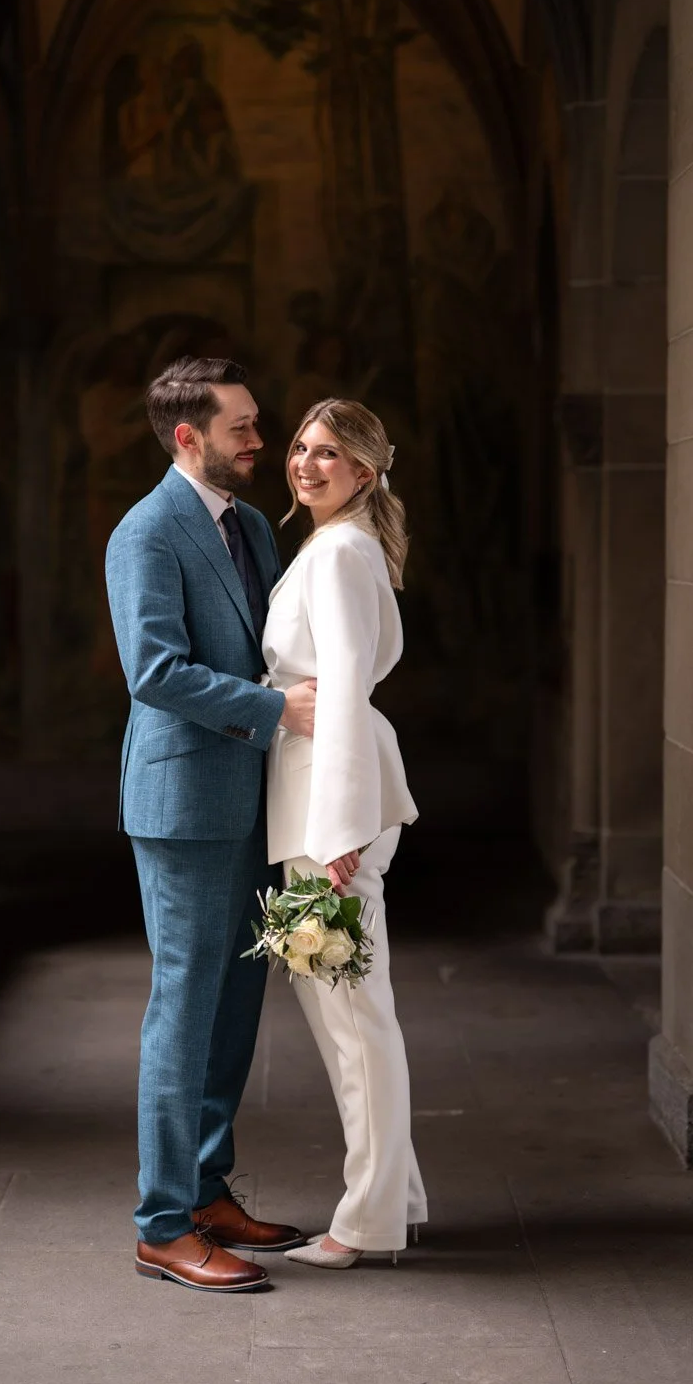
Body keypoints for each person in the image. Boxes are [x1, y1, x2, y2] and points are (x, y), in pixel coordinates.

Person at [105, 356, 318, 1293]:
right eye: (242, 427)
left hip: (253, 796)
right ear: (188, 437)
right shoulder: (145, 533)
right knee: (183, 1009)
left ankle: (206, 1191)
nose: (259, 441)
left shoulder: (253, 527)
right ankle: (161, 1226)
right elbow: (154, 672)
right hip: (186, 801)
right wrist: (282, 712)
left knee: (236, 1004)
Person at [261, 398, 427, 1269]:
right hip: (319, 801)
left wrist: (339, 833)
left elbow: (348, 694)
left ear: (364, 471)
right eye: (300, 447)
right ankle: (393, 1195)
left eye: (329, 454)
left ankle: (365, 1222)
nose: (305, 463)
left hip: (332, 811)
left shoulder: (341, 554)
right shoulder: (332, 548)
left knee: (357, 1024)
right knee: (350, 1022)